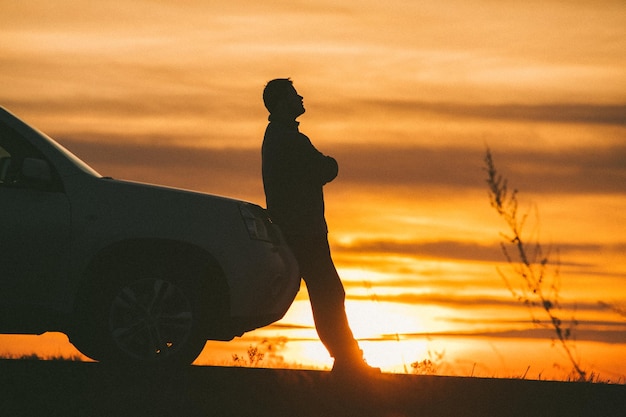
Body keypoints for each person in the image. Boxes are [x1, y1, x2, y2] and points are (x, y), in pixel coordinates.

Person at [261, 78, 379, 375]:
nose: (300, 98)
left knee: (326, 294)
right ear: (280, 103)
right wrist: (330, 165)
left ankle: (348, 360)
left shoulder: (280, 137)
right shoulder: (289, 140)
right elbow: (324, 168)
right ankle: (349, 362)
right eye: (293, 95)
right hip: (304, 232)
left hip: (300, 229)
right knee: (329, 294)